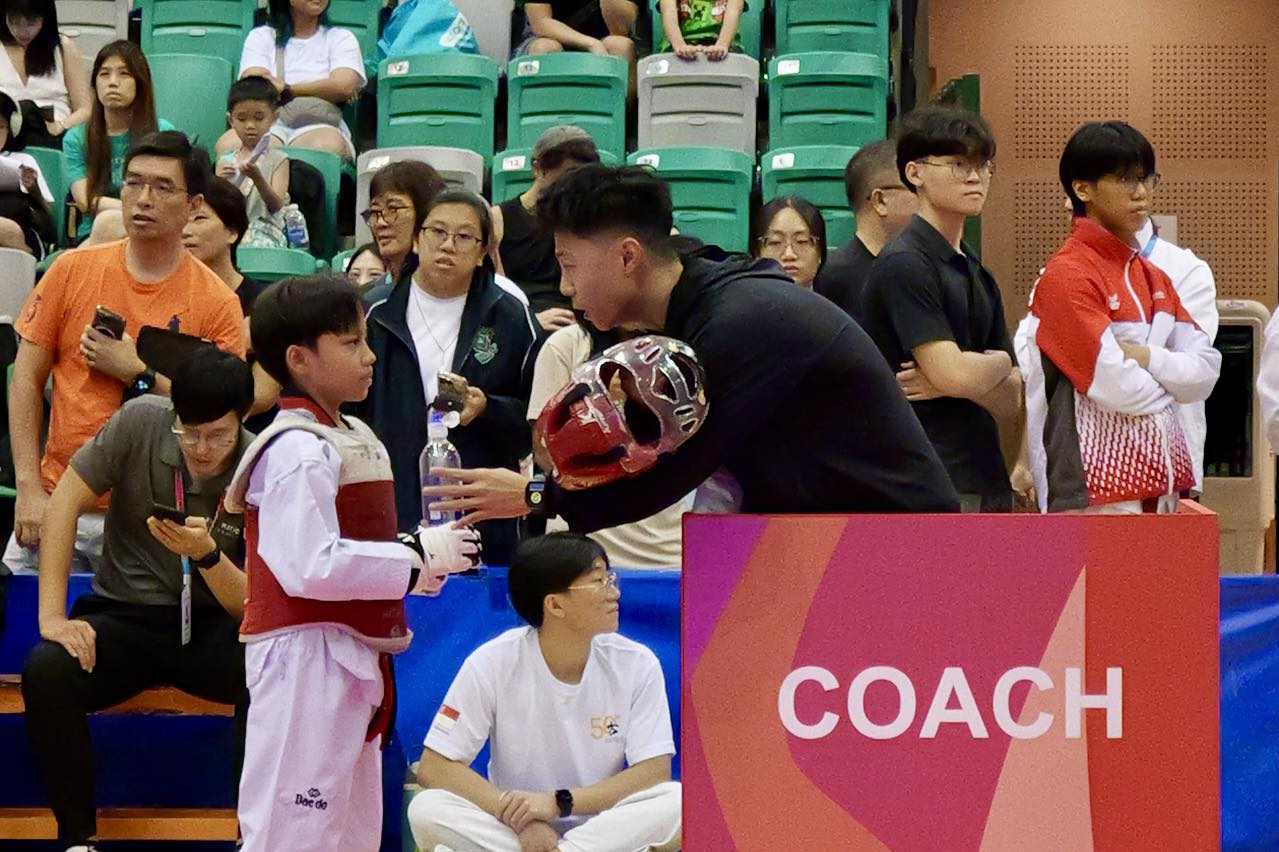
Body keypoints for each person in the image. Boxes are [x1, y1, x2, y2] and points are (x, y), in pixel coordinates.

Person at [423, 164, 959, 532]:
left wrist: (533, 496)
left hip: (899, 541)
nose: (565, 288)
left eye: (569, 265)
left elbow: (668, 476)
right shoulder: (705, 296)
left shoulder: (742, 324)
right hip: (824, 534)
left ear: (628, 257)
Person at [225, 273, 480, 852]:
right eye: (351, 343)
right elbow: (308, 566)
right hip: (303, 656)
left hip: (353, 650)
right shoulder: (294, 448)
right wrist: (412, 558)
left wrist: (425, 564)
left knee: (352, 833)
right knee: (294, 832)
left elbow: (362, 548)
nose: (369, 357)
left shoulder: (353, 433)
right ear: (299, 359)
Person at [22, 347, 256, 852]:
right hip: (126, 616)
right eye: (189, 432)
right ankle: (78, 839)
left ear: (242, 421)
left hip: (212, 622)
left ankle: (254, 838)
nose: (201, 448)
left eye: (218, 435)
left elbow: (250, 607)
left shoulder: (261, 461)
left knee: (270, 670)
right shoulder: (140, 421)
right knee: (47, 668)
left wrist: (209, 556)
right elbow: (63, 503)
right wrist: (51, 617)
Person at [5, 130, 246, 576]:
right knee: (20, 613)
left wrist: (138, 373)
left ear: (193, 206)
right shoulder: (71, 269)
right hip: (59, 498)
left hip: (156, 518)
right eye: (134, 183)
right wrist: (28, 488)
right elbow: (25, 378)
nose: (143, 199)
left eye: (163, 187)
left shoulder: (217, 302)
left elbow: (224, 415)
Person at [408, 532, 681, 852]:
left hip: (603, 825)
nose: (614, 592)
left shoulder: (637, 663)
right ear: (555, 604)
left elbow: (653, 772)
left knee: (677, 801)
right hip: (518, 829)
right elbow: (436, 767)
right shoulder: (492, 662)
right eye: (599, 581)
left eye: (610, 579)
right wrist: (520, 817)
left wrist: (558, 803)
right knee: (427, 809)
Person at [1019, 121, 1220, 514]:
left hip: (1163, 489)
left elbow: (1205, 373)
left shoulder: (1155, 277)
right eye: (1126, 179)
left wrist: (1145, 357)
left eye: (1147, 179)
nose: (1141, 192)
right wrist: (1173, 388)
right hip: (1093, 495)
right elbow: (1118, 388)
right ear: (1082, 189)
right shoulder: (1067, 276)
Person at [359, 190, 538, 567]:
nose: (448, 245)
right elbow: (352, 411)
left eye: (464, 236)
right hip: (393, 501)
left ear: (483, 250)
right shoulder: (374, 312)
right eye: (437, 232)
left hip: (483, 514)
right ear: (416, 239)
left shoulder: (511, 316)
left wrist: (488, 408)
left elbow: (535, 422)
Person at [859, 106, 1020, 513]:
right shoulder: (906, 263)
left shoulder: (975, 268)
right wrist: (982, 371)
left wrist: (971, 374)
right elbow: (955, 373)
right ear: (915, 173)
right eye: (958, 164)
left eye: (982, 165)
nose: (975, 177)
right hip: (926, 480)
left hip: (984, 477)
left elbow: (1013, 397)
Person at [528, 316, 689, 568]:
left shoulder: (685, 346)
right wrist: (603, 412)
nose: (568, 294)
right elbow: (544, 454)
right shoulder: (568, 344)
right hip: (580, 548)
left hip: (671, 549)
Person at [220, 0, 364, 161]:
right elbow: (255, 84)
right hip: (267, 124)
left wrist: (288, 89)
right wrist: (324, 87)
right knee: (230, 145)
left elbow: (344, 86)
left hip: (320, 122)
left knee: (324, 146)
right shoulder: (262, 36)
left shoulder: (341, 38)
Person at [64, 40, 175, 246]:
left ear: (140, 82)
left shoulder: (163, 132)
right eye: (104, 74)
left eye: (124, 74)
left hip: (152, 226)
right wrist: (137, 209)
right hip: (95, 231)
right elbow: (85, 201)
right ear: (94, 83)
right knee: (107, 224)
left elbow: (169, 195)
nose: (113, 82)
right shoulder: (76, 137)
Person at [492, 124, 600, 332]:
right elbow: (496, 294)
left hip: (580, 324)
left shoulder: (589, 219)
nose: (575, 185)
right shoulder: (498, 219)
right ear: (538, 169)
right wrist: (530, 321)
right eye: (567, 175)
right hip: (522, 324)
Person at [814, 139, 918, 322]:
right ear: (880, 200)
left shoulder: (929, 270)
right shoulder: (826, 279)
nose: (929, 202)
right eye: (917, 189)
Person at [0, 0, 90, 148]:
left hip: (56, 137)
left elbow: (85, 109)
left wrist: (61, 125)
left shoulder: (63, 48)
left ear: (45, 17)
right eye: (14, 22)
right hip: (6, 141)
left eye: (31, 22)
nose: (23, 31)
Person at [361, 159, 448, 305]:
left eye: (393, 209)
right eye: (375, 211)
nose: (380, 222)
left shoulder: (457, 292)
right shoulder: (369, 300)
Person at [216, 76, 290, 227]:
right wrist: (218, 183)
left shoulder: (279, 160)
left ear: (274, 117)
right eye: (242, 119)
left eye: (259, 118)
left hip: (266, 231)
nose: (250, 125)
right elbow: (217, 205)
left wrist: (258, 179)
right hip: (233, 230)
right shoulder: (224, 160)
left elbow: (276, 206)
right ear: (231, 120)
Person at [0, 90, 55, 257]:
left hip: (21, 237)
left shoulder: (24, 160)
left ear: (11, 129)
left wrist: (33, 189)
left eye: (0, 127)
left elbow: (47, 217)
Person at [753, 196, 826, 289]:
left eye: (801, 241)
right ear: (757, 254)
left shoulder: (837, 296)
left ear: (820, 253)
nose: (789, 255)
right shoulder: (740, 297)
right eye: (775, 242)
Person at [657, 0, 743, 59]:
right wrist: (679, 45)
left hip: (723, 43)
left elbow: (734, 10)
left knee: (731, 62)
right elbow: (668, 11)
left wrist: (722, 44)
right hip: (678, 43)